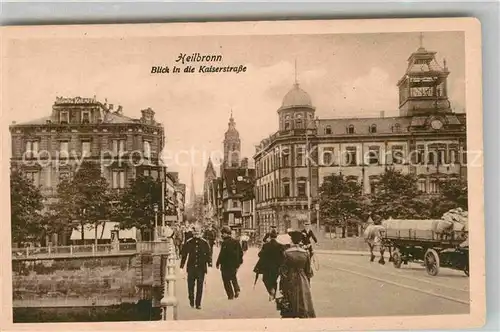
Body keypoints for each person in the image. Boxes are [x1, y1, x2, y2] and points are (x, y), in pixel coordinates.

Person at [277, 230, 316, 318]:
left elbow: (283, 271)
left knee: (291, 300)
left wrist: (282, 286)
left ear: (292, 240)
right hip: (303, 280)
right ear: (300, 241)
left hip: (291, 278)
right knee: (304, 300)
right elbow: (309, 271)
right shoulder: (305, 253)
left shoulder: (287, 253)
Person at [180, 226, 212, 309]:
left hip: (201, 268)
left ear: (201, 233)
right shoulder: (189, 242)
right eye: (195, 232)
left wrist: (210, 264)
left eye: (198, 232)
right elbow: (184, 255)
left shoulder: (205, 243)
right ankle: (191, 300)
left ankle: (198, 303)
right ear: (193, 233)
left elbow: (208, 254)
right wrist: (181, 266)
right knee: (190, 285)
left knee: (200, 286)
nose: (196, 234)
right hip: (191, 268)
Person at [216, 226, 243, 300]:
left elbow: (222, 254)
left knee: (226, 280)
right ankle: (237, 289)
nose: (222, 235)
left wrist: (218, 263)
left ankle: (230, 295)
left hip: (225, 265)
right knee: (233, 277)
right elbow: (241, 253)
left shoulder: (225, 243)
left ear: (226, 234)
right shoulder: (236, 242)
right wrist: (239, 262)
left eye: (223, 233)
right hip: (234, 264)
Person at [257, 229, 284, 301]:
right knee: (274, 280)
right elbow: (283, 257)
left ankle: (271, 292)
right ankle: (273, 294)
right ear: (276, 237)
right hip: (277, 267)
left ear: (270, 237)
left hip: (267, 267)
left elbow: (260, 254)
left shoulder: (266, 245)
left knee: (265, 279)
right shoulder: (280, 246)